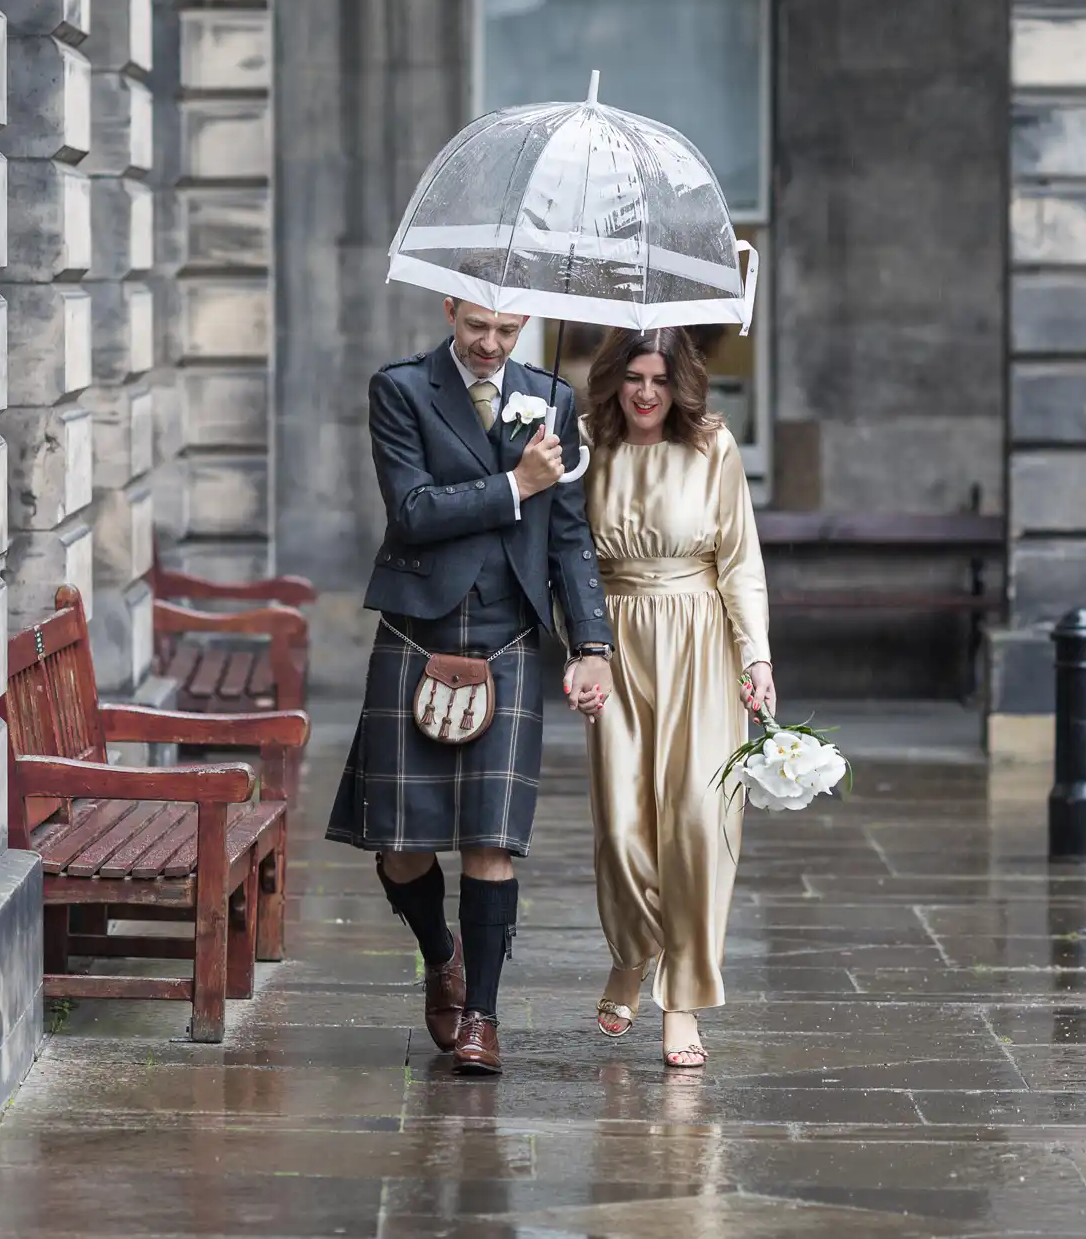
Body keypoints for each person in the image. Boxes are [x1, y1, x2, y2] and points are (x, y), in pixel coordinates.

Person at [326, 298, 615, 1076]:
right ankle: (441, 953)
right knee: (399, 846)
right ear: (449, 309)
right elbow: (412, 510)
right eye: (476, 327)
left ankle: (482, 1015)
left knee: (493, 838)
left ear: (526, 322)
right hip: (418, 633)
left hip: (510, 636)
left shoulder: (551, 397)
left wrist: (592, 641)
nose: (490, 345)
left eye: (507, 330)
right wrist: (515, 482)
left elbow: (569, 532)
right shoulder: (402, 389)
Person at [577, 326, 775, 1068]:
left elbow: (740, 560)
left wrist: (755, 655)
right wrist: (580, 648)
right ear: (614, 379)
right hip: (615, 640)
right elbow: (568, 556)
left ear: (680, 383)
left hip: (700, 638)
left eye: (661, 379)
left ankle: (682, 996)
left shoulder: (712, 446)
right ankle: (633, 952)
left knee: (697, 819)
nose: (647, 393)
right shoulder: (587, 444)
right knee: (623, 828)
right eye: (634, 377)